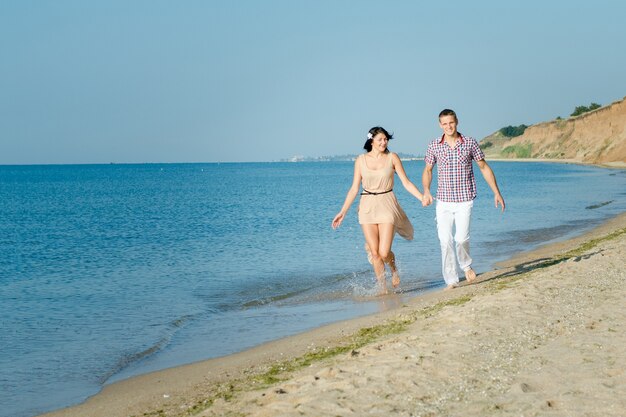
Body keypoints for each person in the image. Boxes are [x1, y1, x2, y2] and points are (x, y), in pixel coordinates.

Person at [332, 126, 424, 295]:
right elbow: (354, 189)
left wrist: (422, 197)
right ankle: (383, 288)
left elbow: (406, 182)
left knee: (383, 252)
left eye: (386, 139)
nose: (384, 142)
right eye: (380, 139)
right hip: (366, 206)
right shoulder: (360, 160)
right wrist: (342, 212)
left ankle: (393, 268)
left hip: (387, 203)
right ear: (371, 140)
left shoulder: (392, 158)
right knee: (375, 254)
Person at [422, 109, 505, 289]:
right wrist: (426, 191)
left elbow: (483, 167)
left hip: (464, 199)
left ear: (457, 121)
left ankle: (466, 265)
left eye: (451, 122)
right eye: (444, 124)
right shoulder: (434, 145)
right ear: (440, 125)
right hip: (443, 201)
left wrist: (496, 192)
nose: (448, 126)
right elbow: (428, 170)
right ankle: (451, 280)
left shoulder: (469, 143)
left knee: (461, 239)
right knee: (445, 241)